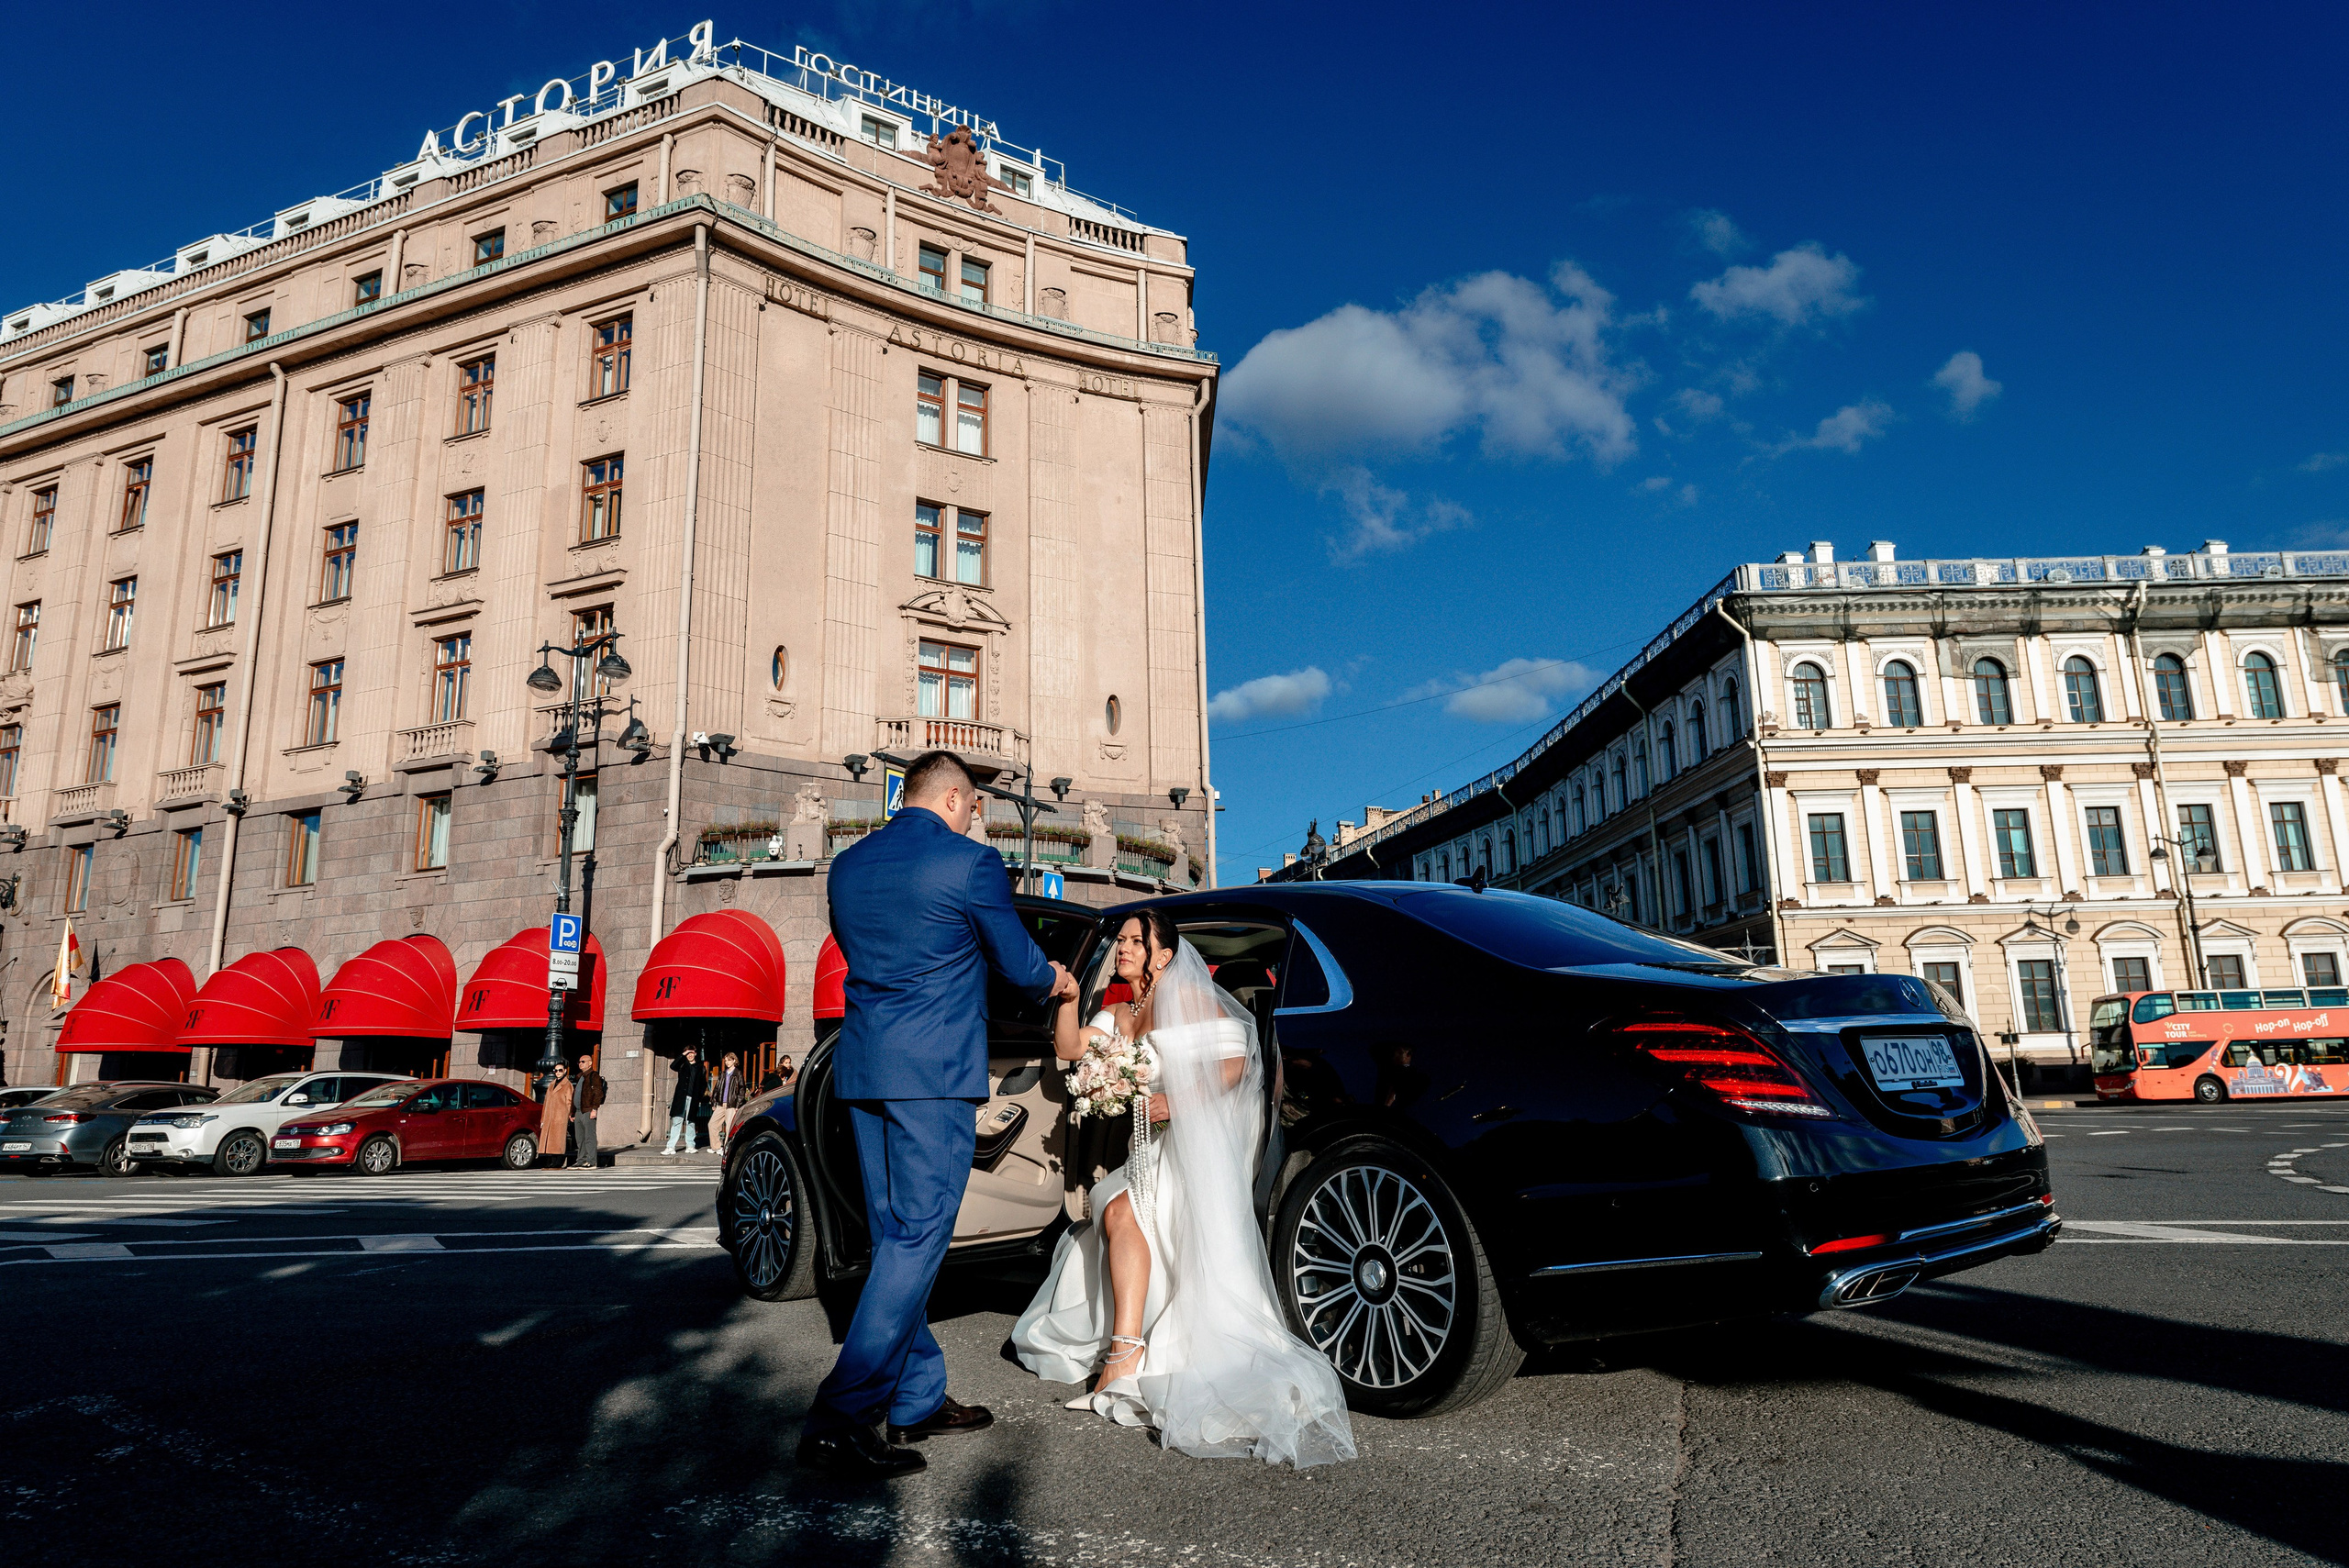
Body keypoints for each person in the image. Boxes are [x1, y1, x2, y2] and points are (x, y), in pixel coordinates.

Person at [799, 749, 1076, 1479]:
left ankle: (917, 1395)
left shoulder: (849, 867)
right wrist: (1060, 975)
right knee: (918, 1239)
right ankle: (842, 1414)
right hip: (934, 1076)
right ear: (954, 798)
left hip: (865, 1069)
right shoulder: (970, 864)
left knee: (898, 1235)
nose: (978, 818)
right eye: (976, 806)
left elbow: (867, 951)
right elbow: (1018, 965)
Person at [1010, 909, 1356, 1468]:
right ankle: (1127, 1347)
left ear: (1162, 956)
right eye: (1119, 941)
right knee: (1116, 1213)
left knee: (1120, 1212)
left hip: (1198, 1140)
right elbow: (1072, 1051)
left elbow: (1236, 1061)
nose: (1121, 949)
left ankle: (1124, 1356)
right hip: (1152, 1146)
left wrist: (1176, 1101)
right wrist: (1070, 998)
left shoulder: (1190, 1000)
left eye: (1132, 941)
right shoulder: (1122, 1012)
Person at [662, 1046, 707, 1155]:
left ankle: (690, 1146)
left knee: (690, 1122)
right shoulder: (682, 1064)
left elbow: (703, 1084)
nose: (690, 1055)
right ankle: (670, 1147)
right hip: (681, 1098)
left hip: (693, 1098)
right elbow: (673, 1066)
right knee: (677, 1121)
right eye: (688, 1053)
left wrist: (699, 1096)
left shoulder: (700, 1067)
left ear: (696, 1053)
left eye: (692, 1053)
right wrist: (683, 1055)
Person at [708, 1050, 748, 1155]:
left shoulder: (738, 1073)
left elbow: (742, 1090)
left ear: (734, 1060)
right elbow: (717, 1088)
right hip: (721, 1104)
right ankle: (716, 1147)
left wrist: (738, 1105)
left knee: (729, 1127)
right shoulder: (723, 1074)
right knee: (712, 1124)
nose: (727, 1063)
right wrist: (714, 1102)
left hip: (732, 1104)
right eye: (726, 1061)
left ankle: (727, 1149)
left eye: (729, 1060)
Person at [571, 1051, 606, 1170]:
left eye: (583, 1061)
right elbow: (575, 1095)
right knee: (580, 1138)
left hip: (588, 1110)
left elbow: (598, 1093)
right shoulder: (580, 1077)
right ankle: (581, 1160)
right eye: (579, 1062)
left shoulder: (593, 1076)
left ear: (590, 1063)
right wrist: (572, 1112)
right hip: (579, 1111)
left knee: (589, 1136)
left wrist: (594, 1109)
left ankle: (591, 1161)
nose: (580, 1064)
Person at [539, 1062, 572, 1170]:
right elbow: (546, 1102)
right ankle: (549, 1162)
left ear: (565, 1071)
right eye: (556, 1071)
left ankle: (557, 1163)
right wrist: (543, 1118)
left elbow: (569, 1102)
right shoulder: (552, 1084)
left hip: (560, 1116)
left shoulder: (567, 1085)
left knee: (558, 1141)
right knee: (549, 1140)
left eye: (560, 1070)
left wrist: (569, 1115)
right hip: (549, 1116)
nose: (557, 1073)